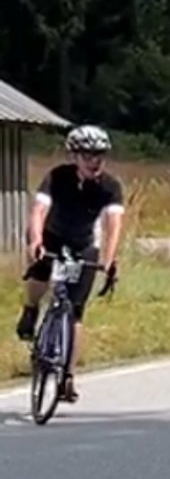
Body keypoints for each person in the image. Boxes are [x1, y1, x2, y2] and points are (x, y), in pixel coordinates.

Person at [17, 124, 128, 402]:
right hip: (51, 236)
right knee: (39, 271)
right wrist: (36, 241)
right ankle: (30, 310)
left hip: (84, 244)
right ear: (74, 157)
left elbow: (114, 224)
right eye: (88, 155)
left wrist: (109, 260)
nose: (95, 161)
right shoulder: (57, 177)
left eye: (100, 155)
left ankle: (67, 376)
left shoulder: (110, 186)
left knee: (76, 311)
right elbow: (39, 210)